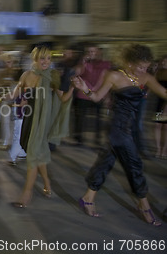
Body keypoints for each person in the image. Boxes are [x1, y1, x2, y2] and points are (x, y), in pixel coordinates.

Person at [72, 44, 165, 226]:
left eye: (146, 67)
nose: (143, 70)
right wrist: (84, 88)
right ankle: (144, 205)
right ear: (129, 63)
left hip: (131, 129)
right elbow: (97, 97)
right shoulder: (114, 75)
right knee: (134, 165)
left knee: (105, 163)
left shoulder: (146, 77)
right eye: (139, 66)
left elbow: (164, 92)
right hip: (117, 128)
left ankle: (88, 198)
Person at [10, 46, 74, 207]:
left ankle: (26, 194)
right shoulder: (26, 75)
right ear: (35, 59)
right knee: (37, 154)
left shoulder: (52, 76)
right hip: (29, 120)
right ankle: (47, 184)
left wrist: (74, 87)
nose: (46, 62)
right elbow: (15, 94)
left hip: (43, 122)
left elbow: (63, 98)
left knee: (33, 154)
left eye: (48, 58)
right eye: (42, 58)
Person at [73, 44, 111, 145]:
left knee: (99, 117)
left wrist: (107, 96)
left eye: (93, 51)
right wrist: (83, 62)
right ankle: (79, 137)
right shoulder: (84, 63)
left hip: (99, 94)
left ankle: (98, 138)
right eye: (89, 52)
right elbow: (77, 72)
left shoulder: (105, 64)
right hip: (83, 94)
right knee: (81, 116)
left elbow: (107, 79)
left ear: (99, 52)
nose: (91, 54)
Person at [154, 55, 167, 159]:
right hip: (159, 103)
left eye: (165, 62)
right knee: (158, 126)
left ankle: (164, 150)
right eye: (163, 62)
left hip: (166, 104)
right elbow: (152, 84)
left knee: (165, 127)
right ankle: (158, 149)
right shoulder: (159, 73)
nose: (163, 63)